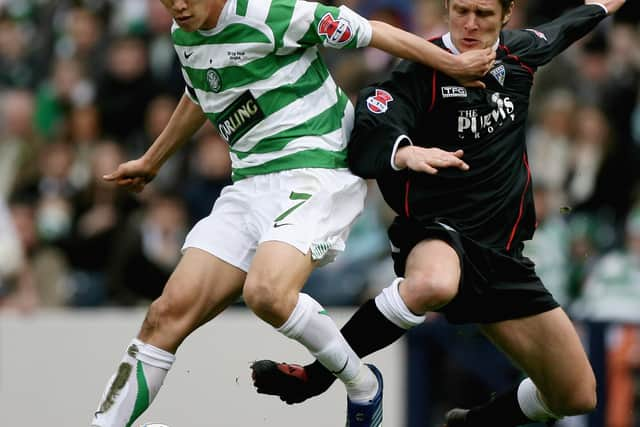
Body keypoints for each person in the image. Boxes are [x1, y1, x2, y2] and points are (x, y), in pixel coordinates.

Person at [89, 0, 495, 426]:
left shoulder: (271, 13)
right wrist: (154, 160)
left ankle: (362, 385)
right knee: (164, 316)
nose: (177, 6)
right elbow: (201, 91)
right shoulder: (183, 35)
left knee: (266, 293)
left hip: (317, 169)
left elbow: (374, 32)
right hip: (249, 185)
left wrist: (453, 64)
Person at [251, 1, 627, 426]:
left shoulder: (519, 54)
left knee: (576, 393)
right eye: (461, 10)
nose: (470, 24)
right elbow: (374, 123)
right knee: (433, 282)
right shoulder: (420, 68)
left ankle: (475, 422)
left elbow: (571, 22)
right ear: (447, 9)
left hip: (502, 257)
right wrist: (405, 152)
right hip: (438, 232)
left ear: (507, 15)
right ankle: (319, 376)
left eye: (483, 14)